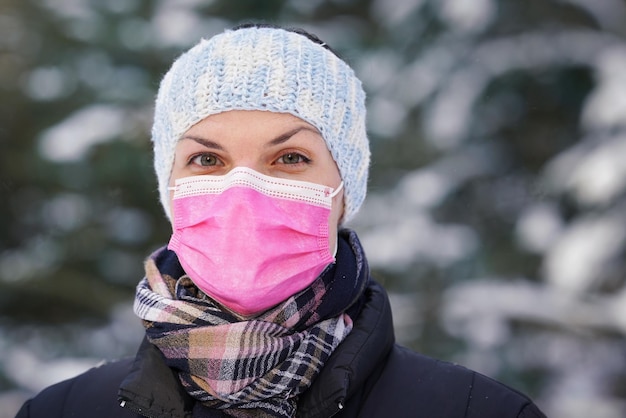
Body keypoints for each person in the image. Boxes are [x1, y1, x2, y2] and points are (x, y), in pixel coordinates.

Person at [15, 23, 546, 418]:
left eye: (289, 158)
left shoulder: (477, 412)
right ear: (170, 188)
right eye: (207, 159)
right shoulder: (61, 412)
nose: (243, 192)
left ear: (345, 189)